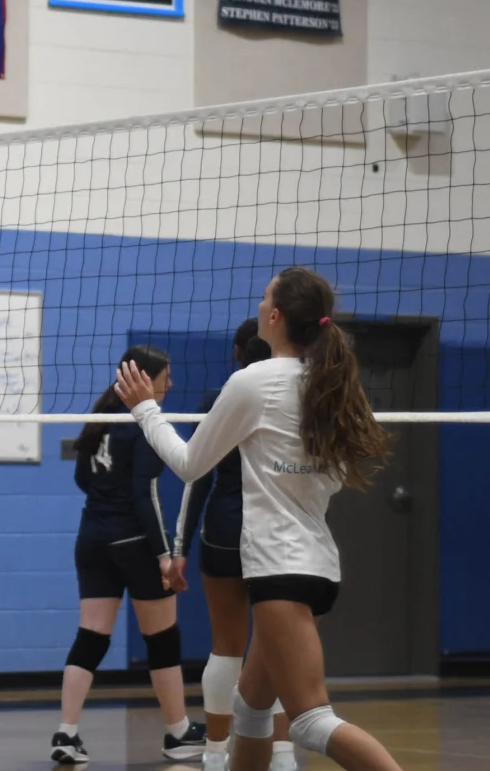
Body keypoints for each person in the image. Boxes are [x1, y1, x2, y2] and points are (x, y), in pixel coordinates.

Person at [114, 267, 403, 771]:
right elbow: (330, 478)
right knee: (250, 711)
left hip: (279, 569)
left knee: (311, 721)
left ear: (274, 316)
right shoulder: (328, 383)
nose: (257, 304)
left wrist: (145, 411)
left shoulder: (254, 381)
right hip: (313, 566)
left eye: (263, 297)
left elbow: (188, 465)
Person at [49, 346, 206, 765]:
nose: (169, 385)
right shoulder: (144, 425)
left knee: (91, 636)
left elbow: (83, 476)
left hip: (92, 539)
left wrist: (106, 506)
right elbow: (144, 494)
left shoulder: (100, 417)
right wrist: (163, 553)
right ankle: (177, 733)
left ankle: (66, 732)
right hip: (134, 542)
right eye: (165, 377)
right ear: (143, 380)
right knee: (162, 638)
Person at [173, 319, 295, 771]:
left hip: (224, 530)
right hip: (275, 532)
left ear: (237, 353)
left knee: (226, 645)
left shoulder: (219, 399)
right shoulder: (295, 396)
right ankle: (283, 757)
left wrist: (178, 547)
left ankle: (214, 754)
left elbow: (195, 477)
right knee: (276, 647)